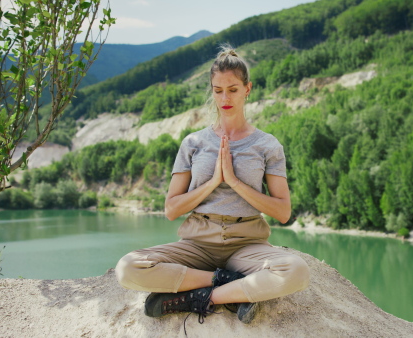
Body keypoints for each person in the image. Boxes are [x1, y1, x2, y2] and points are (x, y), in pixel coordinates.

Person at [115, 45, 310, 325]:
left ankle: (203, 296)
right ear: (211, 90)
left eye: (232, 89)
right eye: (217, 90)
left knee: (296, 271)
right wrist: (213, 182)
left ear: (247, 89)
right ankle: (230, 284)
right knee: (128, 268)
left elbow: (282, 212)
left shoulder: (268, 145)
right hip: (197, 242)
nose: (224, 97)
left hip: (247, 244)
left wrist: (233, 181)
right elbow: (171, 209)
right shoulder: (193, 143)